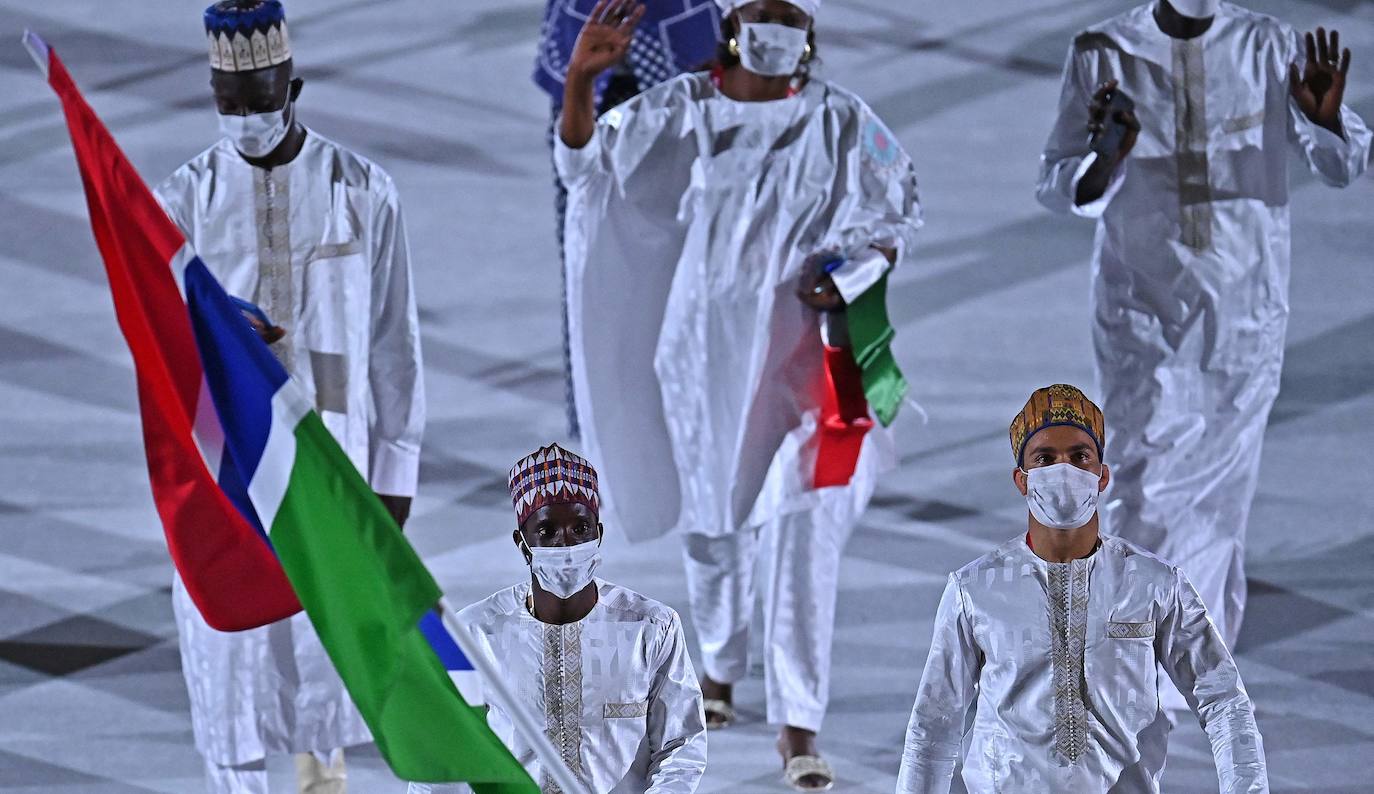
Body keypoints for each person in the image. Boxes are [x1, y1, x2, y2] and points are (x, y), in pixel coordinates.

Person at [556, 0, 922, 789]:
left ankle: (798, 724)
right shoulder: (679, 111)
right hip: (696, 362)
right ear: (730, 19)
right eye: (760, 9)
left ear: (811, 27)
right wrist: (582, 86)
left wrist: (850, 279)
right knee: (714, 524)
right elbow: (587, 174)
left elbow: (893, 220)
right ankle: (720, 666)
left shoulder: (845, 124)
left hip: (804, 369)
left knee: (800, 537)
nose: (775, 26)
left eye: (790, 12)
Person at [1035, 0, 1372, 651]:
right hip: (1143, 322)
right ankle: (1135, 680)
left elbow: (1341, 163)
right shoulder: (1102, 48)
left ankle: (1189, 680)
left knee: (1219, 518)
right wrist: (1105, 158)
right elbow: (1057, 179)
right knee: (1142, 497)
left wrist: (1325, 118)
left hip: (1244, 321)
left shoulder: (1268, 45)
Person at [155, 2, 425, 790]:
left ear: (292, 84)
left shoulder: (363, 191)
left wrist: (395, 478)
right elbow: (159, 337)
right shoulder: (183, 202)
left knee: (324, 629)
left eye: (261, 99)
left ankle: (321, 775)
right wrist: (218, 330)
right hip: (229, 458)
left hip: (334, 454)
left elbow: (392, 343)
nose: (246, 119)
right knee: (230, 639)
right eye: (230, 104)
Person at [896, 384, 1268, 793]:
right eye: (1045, 458)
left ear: (1102, 475)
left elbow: (1224, 702)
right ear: (1022, 480)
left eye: (1079, 456)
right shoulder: (975, 590)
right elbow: (934, 725)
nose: (1064, 470)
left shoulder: (1154, 585)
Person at [407, 444, 707, 794]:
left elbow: (681, 745)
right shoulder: (474, 634)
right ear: (523, 544)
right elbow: (443, 753)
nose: (567, 544)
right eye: (547, 532)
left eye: (581, 528)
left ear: (599, 534)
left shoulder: (651, 628)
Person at [534, 0, 722, 438]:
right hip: (588, 60)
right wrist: (580, 78)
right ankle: (600, 427)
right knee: (590, 262)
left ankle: (700, 417)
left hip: (692, 57)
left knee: (699, 255)